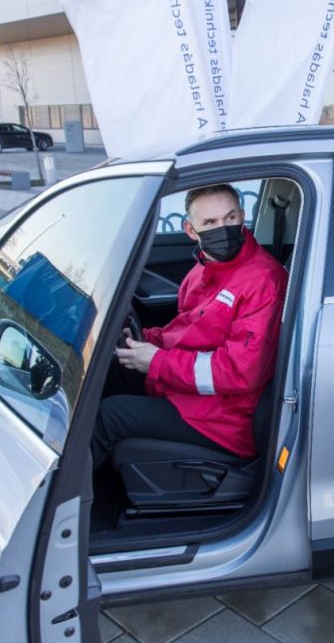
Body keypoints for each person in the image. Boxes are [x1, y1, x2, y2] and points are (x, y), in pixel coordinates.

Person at [92, 184, 288, 469]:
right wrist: (144, 339)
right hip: (188, 393)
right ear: (191, 230)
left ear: (243, 216)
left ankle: (70, 503)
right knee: (105, 376)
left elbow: (241, 372)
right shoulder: (201, 271)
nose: (223, 228)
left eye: (230, 218)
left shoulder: (263, 280)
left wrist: (157, 362)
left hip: (223, 418)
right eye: (210, 222)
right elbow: (184, 331)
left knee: (108, 416)